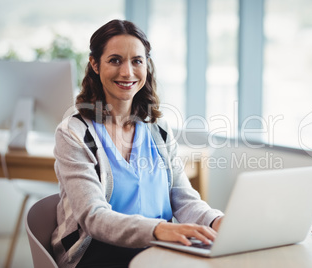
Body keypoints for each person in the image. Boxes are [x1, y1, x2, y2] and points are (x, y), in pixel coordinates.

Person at [51, 19, 224, 268]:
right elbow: (93, 217)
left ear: (147, 65)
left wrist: (216, 221)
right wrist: (159, 230)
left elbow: (183, 198)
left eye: (137, 61)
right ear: (95, 64)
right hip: (97, 252)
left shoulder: (159, 130)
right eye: (115, 60)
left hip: (158, 247)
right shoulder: (73, 133)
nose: (127, 72)